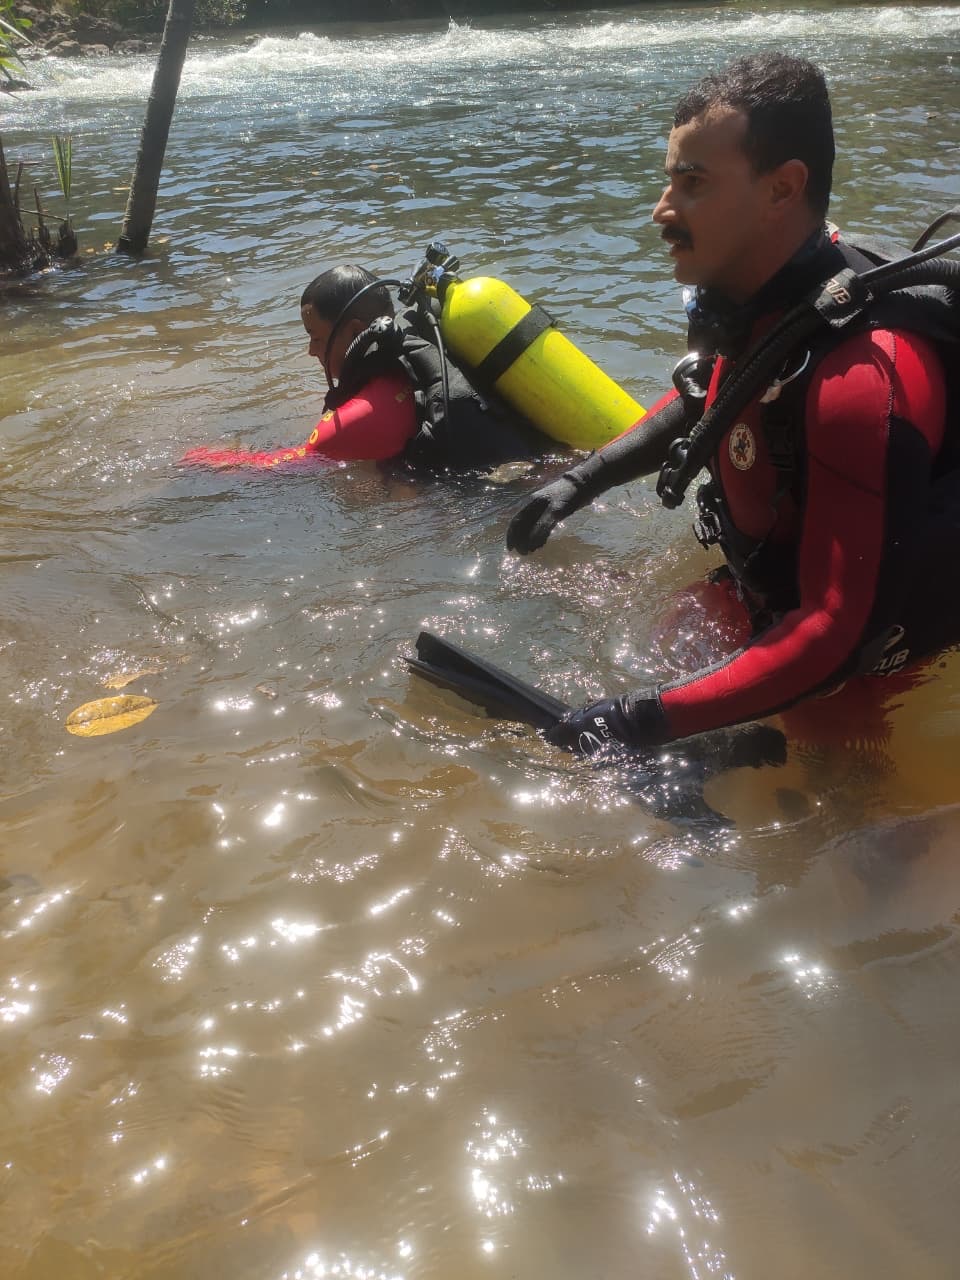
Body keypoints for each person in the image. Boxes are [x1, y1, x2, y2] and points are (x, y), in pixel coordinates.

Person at [506, 52, 956, 757]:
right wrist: (581, 481)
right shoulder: (765, 299)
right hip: (762, 590)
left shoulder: (865, 379)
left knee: (836, 819)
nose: (663, 210)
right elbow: (716, 393)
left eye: (693, 184)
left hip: (852, 658)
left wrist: (636, 721)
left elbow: (832, 633)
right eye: (668, 181)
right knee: (667, 639)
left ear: (783, 189)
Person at [182, 264, 549, 472]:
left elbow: (278, 470)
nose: (311, 352)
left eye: (315, 337)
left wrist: (200, 460)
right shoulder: (419, 352)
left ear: (356, 332)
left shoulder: (352, 423)